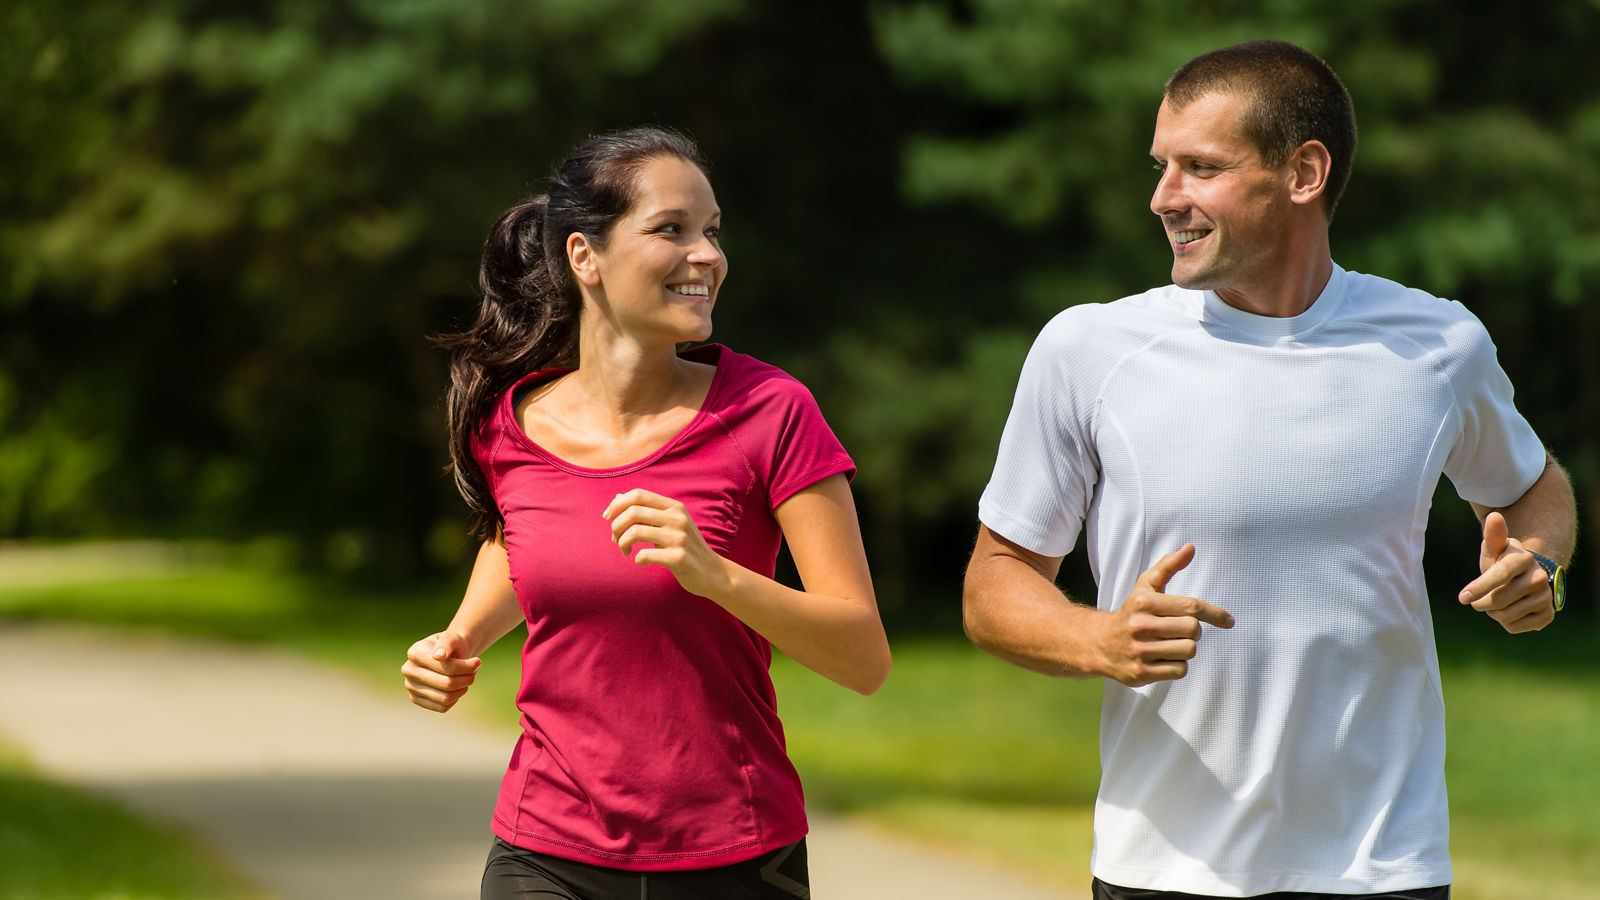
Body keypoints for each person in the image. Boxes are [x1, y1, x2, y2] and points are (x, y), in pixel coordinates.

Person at [963, 39, 1576, 900]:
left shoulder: (1438, 344)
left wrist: (1540, 564)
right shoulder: (1089, 350)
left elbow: (1533, 485)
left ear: (1304, 173)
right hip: (1165, 869)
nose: (1163, 197)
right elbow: (993, 585)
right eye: (1161, 166)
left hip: (1382, 866)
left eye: (1201, 167)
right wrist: (1097, 639)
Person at [402, 126, 891, 900]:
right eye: (672, 229)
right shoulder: (509, 424)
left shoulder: (771, 411)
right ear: (584, 256)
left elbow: (863, 659)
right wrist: (459, 637)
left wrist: (716, 576)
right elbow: (523, 539)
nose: (708, 256)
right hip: (544, 849)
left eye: (712, 232)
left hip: (733, 857)